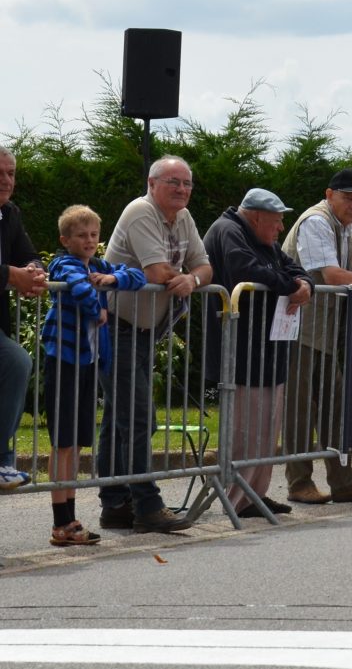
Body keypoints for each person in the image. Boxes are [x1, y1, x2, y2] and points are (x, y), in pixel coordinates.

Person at [97, 155, 211, 533]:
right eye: (173, 182)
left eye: (186, 183)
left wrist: (190, 281)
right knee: (139, 419)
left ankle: (115, 503)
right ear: (152, 183)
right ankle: (147, 506)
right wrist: (184, 276)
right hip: (117, 327)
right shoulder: (140, 212)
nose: (181, 189)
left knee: (121, 420)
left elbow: (205, 267)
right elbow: (157, 272)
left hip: (145, 330)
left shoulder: (184, 218)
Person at [281, 168, 352, 507]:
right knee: (299, 410)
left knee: (335, 408)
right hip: (299, 329)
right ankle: (299, 483)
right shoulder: (315, 221)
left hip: (328, 332)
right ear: (330, 195)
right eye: (348, 198)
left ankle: (345, 481)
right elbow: (329, 273)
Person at [203, 189, 314, 518]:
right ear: (255, 216)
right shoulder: (229, 230)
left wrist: (303, 283)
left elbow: (292, 266)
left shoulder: (259, 236)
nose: (281, 228)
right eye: (277, 221)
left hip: (267, 352)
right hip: (241, 352)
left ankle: (253, 495)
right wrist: (293, 286)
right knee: (246, 430)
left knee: (267, 427)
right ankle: (237, 497)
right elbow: (246, 271)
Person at [39, 205, 145, 545]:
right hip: (64, 360)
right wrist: (98, 306)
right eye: (81, 236)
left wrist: (113, 279)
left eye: (93, 236)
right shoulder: (64, 262)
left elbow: (137, 276)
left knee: (78, 441)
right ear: (65, 239)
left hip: (87, 362)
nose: (88, 241)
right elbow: (77, 286)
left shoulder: (98, 266)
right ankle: (61, 521)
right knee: (63, 442)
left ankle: (70, 520)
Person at [0, 146, 45, 490]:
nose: (5, 180)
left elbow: (28, 254)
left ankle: (2, 460)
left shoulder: (10, 214)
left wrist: (34, 272)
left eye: (11, 173)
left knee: (17, 362)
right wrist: (8, 276)